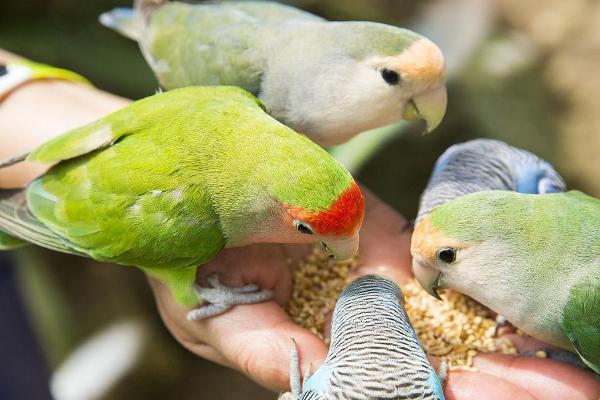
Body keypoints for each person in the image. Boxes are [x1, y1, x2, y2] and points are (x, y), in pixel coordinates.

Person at [0, 49, 598, 399]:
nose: (345, 254)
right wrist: (204, 288)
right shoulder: (185, 219)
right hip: (58, 201)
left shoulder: (237, 109)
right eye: (316, 232)